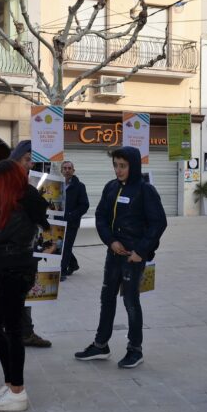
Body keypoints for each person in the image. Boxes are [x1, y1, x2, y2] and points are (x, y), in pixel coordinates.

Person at [75, 147, 167, 368]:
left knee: (130, 302)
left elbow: (158, 223)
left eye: (123, 165)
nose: (118, 170)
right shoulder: (111, 187)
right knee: (107, 298)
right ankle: (100, 345)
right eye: (115, 165)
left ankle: (135, 350)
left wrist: (141, 251)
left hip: (133, 258)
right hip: (114, 254)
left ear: (133, 166)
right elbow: (100, 217)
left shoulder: (146, 190)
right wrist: (110, 241)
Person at [0, 159, 49, 411]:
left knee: (12, 331)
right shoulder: (17, 204)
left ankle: (17, 391)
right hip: (11, 272)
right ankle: (11, 384)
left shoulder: (19, 209)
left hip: (15, 274)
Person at [0, 140, 52, 357]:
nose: (30, 164)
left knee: (22, 293)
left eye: (32, 160)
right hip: (5, 253)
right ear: (17, 158)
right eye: (27, 159)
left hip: (25, 251)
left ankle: (26, 332)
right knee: (3, 294)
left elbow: (42, 216)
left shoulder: (29, 184)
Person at [59, 160, 89, 281]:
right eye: (64, 168)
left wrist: (72, 215)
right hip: (59, 221)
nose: (67, 170)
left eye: (69, 168)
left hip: (72, 223)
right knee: (61, 246)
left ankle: (62, 271)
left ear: (73, 170)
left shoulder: (80, 186)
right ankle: (73, 264)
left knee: (66, 247)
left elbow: (84, 205)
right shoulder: (57, 185)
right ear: (61, 170)